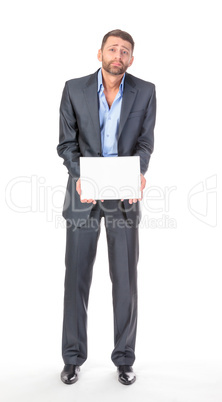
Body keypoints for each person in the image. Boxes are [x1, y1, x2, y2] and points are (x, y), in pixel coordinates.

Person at [57, 29, 156, 385]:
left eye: (125, 51)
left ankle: (124, 359)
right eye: (112, 49)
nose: (118, 55)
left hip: (124, 194)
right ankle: (72, 358)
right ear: (99, 53)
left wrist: (140, 172)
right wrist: (79, 175)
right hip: (83, 193)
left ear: (131, 59)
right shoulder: (73, 89)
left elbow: (145, 141)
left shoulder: (145, 91)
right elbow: (66, 143)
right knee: (76, 279)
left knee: (125, 280)